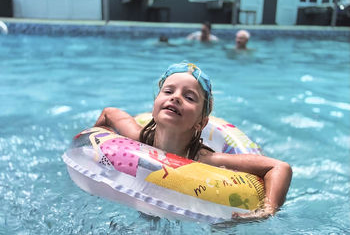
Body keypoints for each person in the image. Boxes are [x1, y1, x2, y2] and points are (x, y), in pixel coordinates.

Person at [94, 62, 292, 220]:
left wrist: (268, 210)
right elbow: (108, 113)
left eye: (189, 97)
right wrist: (97, 151)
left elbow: (279, 167)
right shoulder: (139, 139)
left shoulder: (204, 160)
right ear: (154, 106)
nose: (176, 98)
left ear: (201, 122)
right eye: (168, 92)